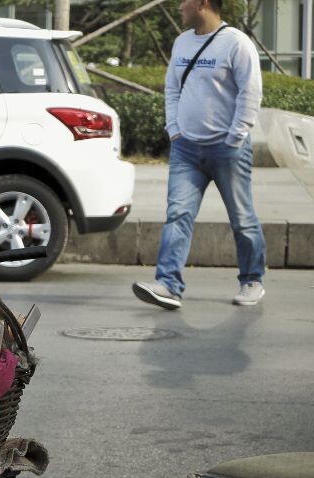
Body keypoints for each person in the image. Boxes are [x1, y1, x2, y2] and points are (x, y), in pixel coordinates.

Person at [132, 0, 265, 311]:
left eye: (185, 2)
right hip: (186, 149)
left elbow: (251, 91)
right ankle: (168, 285)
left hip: (227, 148)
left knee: (242, 219)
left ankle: (252, 279)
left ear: (203, 3)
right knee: (178, 215)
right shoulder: (182, 41)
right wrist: (174, 129)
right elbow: (172, 88)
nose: (179, 7)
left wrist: (235, 135)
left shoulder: (236, 43)